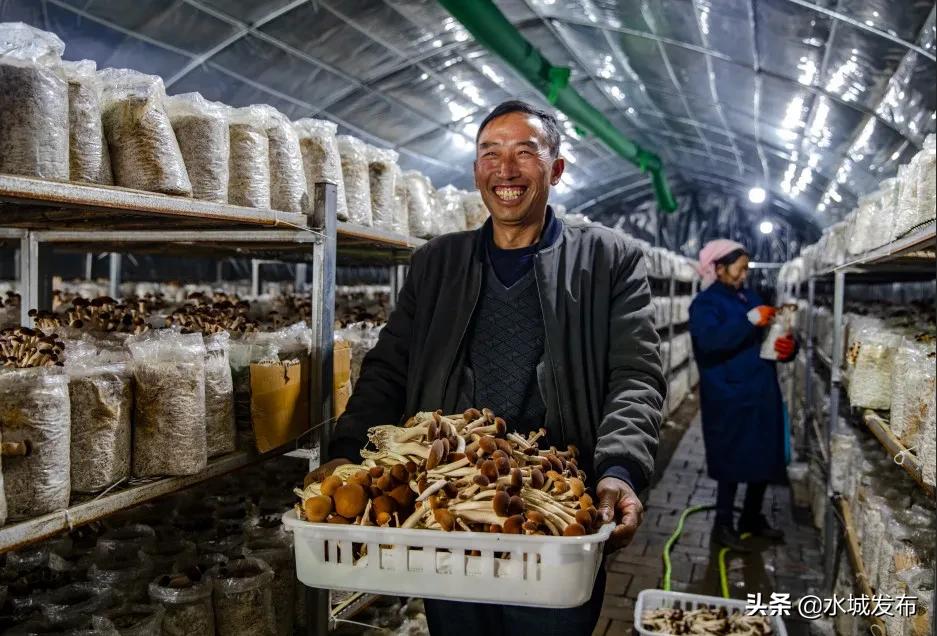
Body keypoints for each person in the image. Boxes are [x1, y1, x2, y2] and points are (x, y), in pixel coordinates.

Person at [309, 100, 666, 635]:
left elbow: (635, 376)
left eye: (525, 152)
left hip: (550, 516)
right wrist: (346, 451)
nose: (506, 169)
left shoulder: (608, 261)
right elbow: (389, 368)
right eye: (490, 154)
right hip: (451, 510)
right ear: (477, 170)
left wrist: (621, 469)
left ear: (556, 169)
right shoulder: (437, 264)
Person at [688, 240, 796, 552]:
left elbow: (770, 336)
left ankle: (751, 516)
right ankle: (723, 523)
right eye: (740, 269)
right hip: (729, 392)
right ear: (719, 268)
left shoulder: (749, 296)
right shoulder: (705, 304)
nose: (744, 275)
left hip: (760, 388)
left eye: (746, 269)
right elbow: (710, 341)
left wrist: (788, 348)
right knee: (732, 458)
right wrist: (748, 320)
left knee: (763, 454)